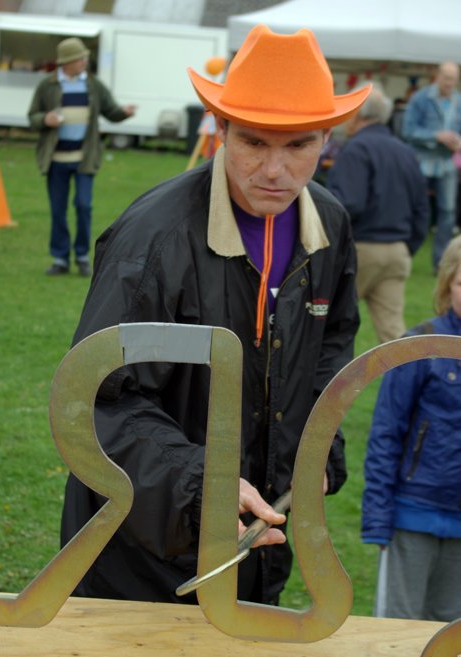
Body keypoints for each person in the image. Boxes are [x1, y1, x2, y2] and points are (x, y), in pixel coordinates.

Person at [60, 25, 371, 605]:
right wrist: (198, 488)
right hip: (141, 548)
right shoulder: (152, 240)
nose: (275, 171)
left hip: (258, 542)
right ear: (220, 130)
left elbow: (331, 345)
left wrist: (316, 445)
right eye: (254, 142)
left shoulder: (329, 225)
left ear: (327, 138)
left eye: (299, 145)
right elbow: (98, 398)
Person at [361, 234, 461, 621]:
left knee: (450, 634)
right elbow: (386, 432)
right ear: (446, 284)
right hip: (413, 514)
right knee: (398, 631)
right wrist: (379, 517)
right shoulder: (420, 345)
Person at [326, 86, 429, 343]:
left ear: (358, 114)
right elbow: (422, 208)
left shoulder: (356, 149)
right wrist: (407, 246)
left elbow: (349, 203)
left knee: (326, 325)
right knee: (394, 335)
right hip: (397, 251)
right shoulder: (405, 151)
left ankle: (320, 382)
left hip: (361, 250)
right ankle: (410, 380)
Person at [28, 37, 136, 277]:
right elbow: (32, 116)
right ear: (68, 62)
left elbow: (112, 111)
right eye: (81, 58)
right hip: (56, 160)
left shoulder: (94, 86)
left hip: (84, 159)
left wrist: (124, 113)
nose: (85, 62)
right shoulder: (47, 85)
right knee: (58, 210)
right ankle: (60, 259)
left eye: (85, 58)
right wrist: (45, 119)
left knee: (84, 206)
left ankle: (83, 256)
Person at [402, 62, 461, 272]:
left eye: (453, 79)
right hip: (422, 162)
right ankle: (404, 257)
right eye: (446, 78)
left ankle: (442, 264)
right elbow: (408, 131)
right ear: (437, 76)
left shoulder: (458, 101)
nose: (449, 83)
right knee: (414, 209)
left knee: (447, 211)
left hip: (446, 164)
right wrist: (435, 136)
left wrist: (457, 142)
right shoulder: (421, 99)